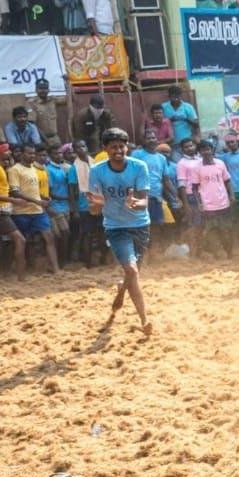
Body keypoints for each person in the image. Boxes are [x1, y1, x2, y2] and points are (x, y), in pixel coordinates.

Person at [86, 128, 152, 333]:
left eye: (121, 146)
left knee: (133, 273)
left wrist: (135, 203)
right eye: (113, 147)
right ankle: (144, 320)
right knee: (132, 270)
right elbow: (94, 209)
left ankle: (121, 292)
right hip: (116, 227)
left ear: (127, 147)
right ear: (105, 149)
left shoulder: (139, 166)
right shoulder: (97, 171)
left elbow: (144, 201)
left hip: (140, 226)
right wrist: (97, 204)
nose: (118, 150)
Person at [8, 144, 60, 273]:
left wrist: (43, 197)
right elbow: (15, 192)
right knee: (22, 242)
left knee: (49, 237)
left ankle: (56, 268)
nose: (32, 156)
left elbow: (33, 190)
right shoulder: (15, 170)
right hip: (21, 212)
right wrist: (37, 201)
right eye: (29, 153)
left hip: (37, 211)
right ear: (22, 154)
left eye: (33, 154)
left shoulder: (33, 169)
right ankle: (20, 269)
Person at [191, 141, 235, 258]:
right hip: (208, 206)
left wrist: (232, 195)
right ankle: (215, 253)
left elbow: (227, 181)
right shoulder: (196, 168)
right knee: (211, 231)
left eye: (208, 149)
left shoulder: (220, 163)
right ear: (199, 152)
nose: (206, 152)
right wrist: (199, 203)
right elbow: (194, 188)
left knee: (227, 230)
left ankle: (229, 253)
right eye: (203, 150)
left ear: (212, 150)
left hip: (224, 203)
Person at [0, 143, 28, 279]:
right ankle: (21, 277)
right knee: (20, 240)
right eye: (6, 151)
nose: (10, 153)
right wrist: (15, 201)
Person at [162, 87, 199, 155]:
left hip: (186, 142)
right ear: (169, 97)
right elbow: (159, 124)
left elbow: (196, 124)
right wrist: (170, 120)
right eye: (173, 97)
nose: (176, 99)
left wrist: (185, 119)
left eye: (178, 97)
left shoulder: (188, 107)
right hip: (170, 143)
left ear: (181, 96)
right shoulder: (164, 107)